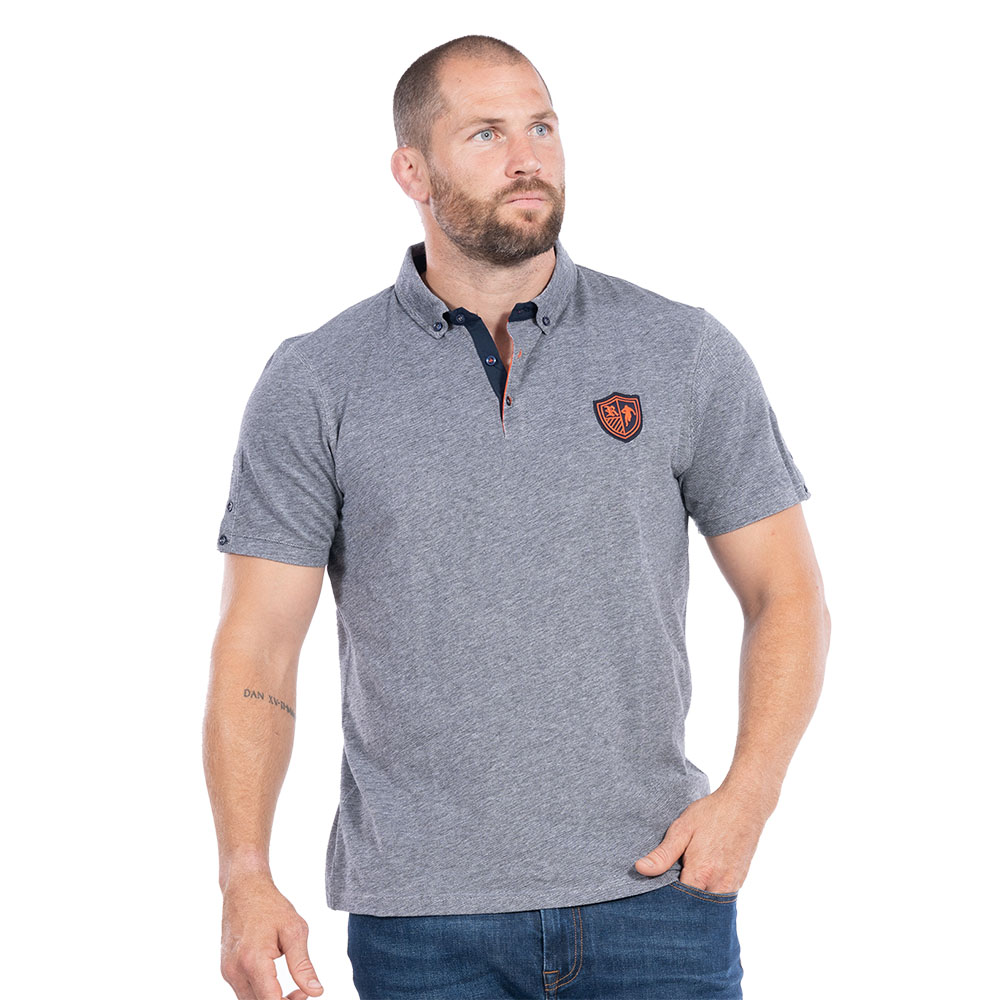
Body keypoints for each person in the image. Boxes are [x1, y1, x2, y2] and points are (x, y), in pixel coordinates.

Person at [203, 33, 831, 1000]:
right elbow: (258, 646)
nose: (528, 156)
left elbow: (786, 593)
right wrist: (244, 873)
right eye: (486, 134)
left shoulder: (680, 351)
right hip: (423, 926)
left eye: (542, 127)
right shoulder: (318, 380)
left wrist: (750, 796)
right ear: (412, 171)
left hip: (657, 899)